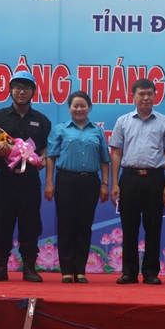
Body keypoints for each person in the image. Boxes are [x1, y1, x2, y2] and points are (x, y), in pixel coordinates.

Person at [109, 79, 165, 285]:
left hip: (155, 179)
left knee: (153, 226)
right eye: (141, 94)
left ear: (156, 95)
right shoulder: (123, 121)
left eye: (150, 93)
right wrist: (115, 183)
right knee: (129, 226)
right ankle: (129, 272)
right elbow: (116, 153)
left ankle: (151, 272)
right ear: (133, 96)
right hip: (129, 178)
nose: (146, 97)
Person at [0, 71, 51, 282]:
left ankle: (29, 267)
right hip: (5, 178)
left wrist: (42, 159)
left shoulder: (41, 120)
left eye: (26, 88)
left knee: (30, 223)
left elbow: (47, 149)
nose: (22, 92)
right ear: (11, 90)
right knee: (1, 222)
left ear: (33, 92)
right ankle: (0, 267)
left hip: (29, 179)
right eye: (18, 88)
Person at [44, 91, 110, 284]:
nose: (79, 109)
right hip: (66, 180)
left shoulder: (97, 131)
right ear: (69, 108)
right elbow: (50, 158)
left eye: (83, 106)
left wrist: (105, 184)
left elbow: (105, 160)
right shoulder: (60, 130)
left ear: (89, 108)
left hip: (90, 182)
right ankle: (66, 271)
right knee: (66, 225)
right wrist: (49, 183)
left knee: (84, 225)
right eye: (75, 106)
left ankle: (80, 271)